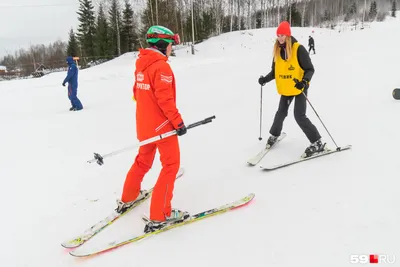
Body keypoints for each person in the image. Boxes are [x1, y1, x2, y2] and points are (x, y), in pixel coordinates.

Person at [115, 25, 188, 233]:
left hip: (145, 125)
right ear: (163, 44)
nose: (171, 49)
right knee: (171, 165)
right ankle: (161, 213)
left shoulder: (141, 63)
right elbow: (165, 100)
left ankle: (129, 196)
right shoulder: (161, 67)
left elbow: (137, 93)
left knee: (143, 160)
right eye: (171, 45)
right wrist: (178, 123)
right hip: (163, 127)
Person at [258, 21, 325, 158]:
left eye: (282, 35)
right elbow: (275, 72)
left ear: (288, 35)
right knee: (281, 113)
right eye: (278, 35)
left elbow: (310, 69)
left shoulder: (298, 49)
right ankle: (274, 135)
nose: (280, 38)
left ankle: (317, 142)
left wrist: (304, 82)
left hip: (299, 87)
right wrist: (265, 79)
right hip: (286, 88)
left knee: (299, 116)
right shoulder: (277, 50)